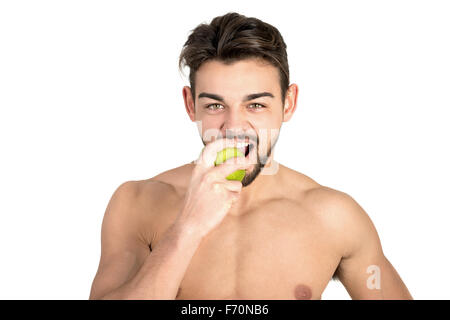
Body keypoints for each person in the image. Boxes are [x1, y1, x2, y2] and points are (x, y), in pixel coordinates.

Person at [89, 12, 412, 300]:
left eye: (255, 104)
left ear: (288, 103)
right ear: (191, 105)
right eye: (215, 105)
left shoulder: (335, 217)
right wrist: (186, 228)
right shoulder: (136, 203)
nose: (234, 126)